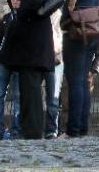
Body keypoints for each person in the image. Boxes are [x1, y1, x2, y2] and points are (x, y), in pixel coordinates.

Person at [0, 0, 57, 139]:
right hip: (30, 39)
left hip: (33, 40)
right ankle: (28, 131)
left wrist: (22, 10)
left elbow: (35, 2)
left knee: (31, 89)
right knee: (27, 89)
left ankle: (32, 133)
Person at [60, 0, 99, 138]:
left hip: (78, 29)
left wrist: (65, 19)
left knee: (75, 81)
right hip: (94, 30)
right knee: (83, 81)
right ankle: (82, 128)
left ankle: (73, 130)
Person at [0, 0, 21, 140]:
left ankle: (16, 130)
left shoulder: (25, 19)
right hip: (4, 62)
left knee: (18, 97)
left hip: (19, 63)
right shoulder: (5, 19)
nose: (15, 1)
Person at [44, 8, 63, 139]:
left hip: (55, 57)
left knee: (53, 97)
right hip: (39, 56)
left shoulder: (58, 15)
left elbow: (61, 38)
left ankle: (52, 129)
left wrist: (59, 55)